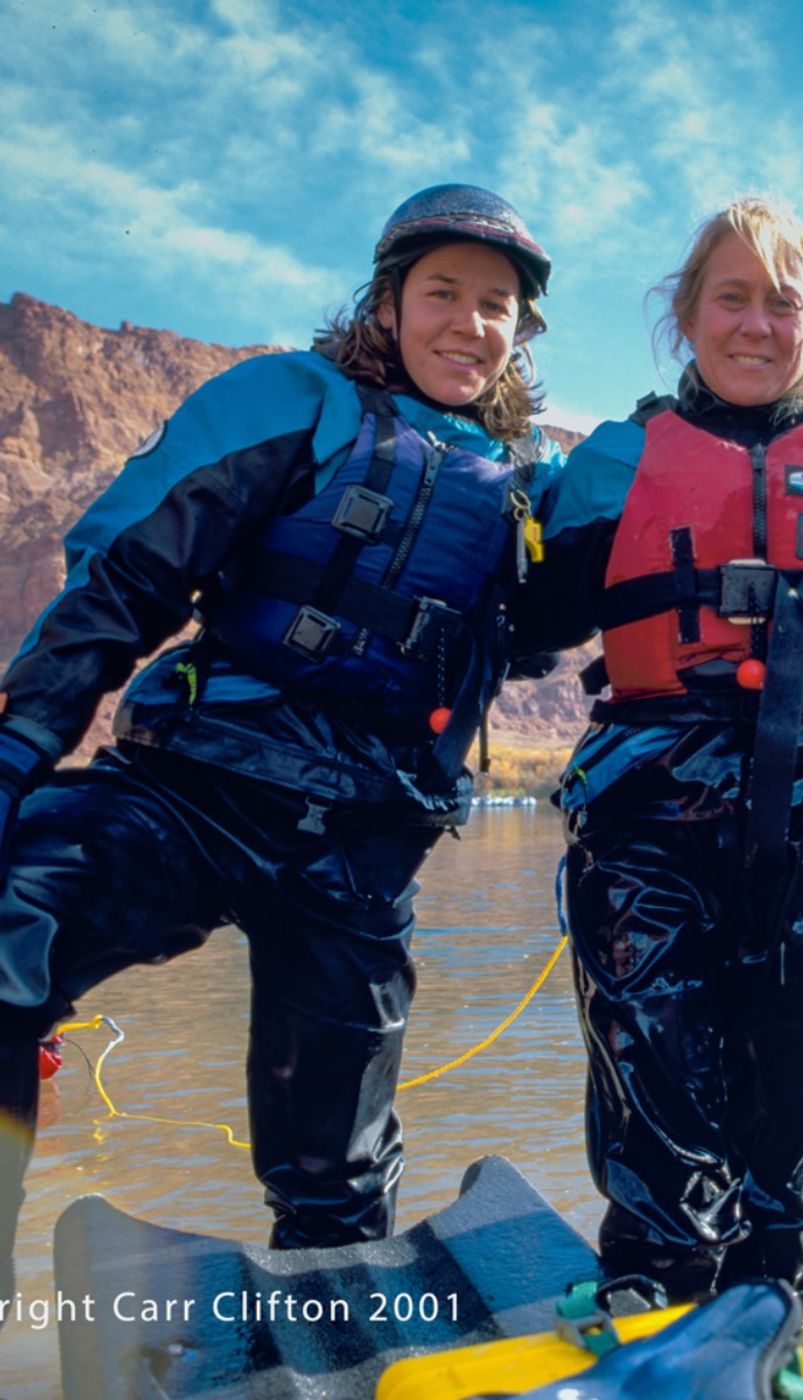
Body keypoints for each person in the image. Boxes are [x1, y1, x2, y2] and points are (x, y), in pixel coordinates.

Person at [0, 183, 562, 1277]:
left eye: (495, 304)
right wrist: (20, 750)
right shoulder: (290, 397)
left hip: (360, 844)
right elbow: (127, 574)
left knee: (335, 1173)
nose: (468, 321)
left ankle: (330, 1336)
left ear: (519, 332)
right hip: (190, 793)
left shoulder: (534, 485)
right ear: (388, 302)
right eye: (441, 291)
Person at [519, 196, 803, 1303]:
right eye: (731, 297)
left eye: (785, 300)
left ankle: (773, 1305)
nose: (757, 325)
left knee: (797, 1090)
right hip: (645, 813)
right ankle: (658, 1290)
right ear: (685, 314)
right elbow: (520, 617)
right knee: (656, 1088)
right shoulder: (617, 457)